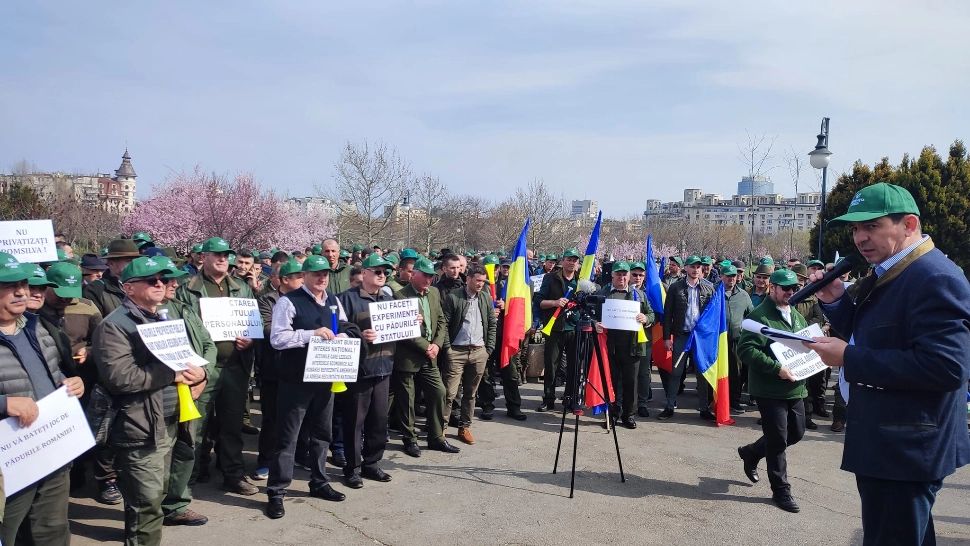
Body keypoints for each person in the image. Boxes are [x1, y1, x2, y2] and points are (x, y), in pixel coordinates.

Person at [808, 183, 970, 545]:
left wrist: (848, 357)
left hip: (906, 450)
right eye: (855, 228)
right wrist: (836, 301)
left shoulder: (934, 277)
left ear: (909, 224)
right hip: (889, 444)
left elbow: (947, 366)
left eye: (872, 226)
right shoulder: (892, 269)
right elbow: (876, 334)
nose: (860, 238)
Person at [93, 256, 206, 545]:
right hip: (139, 426)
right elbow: (120, 378)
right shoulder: (114, 325)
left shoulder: (163, 318)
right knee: (146, 501)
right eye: (151, 280)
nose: (161, 284)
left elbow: (185, 360)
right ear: (128, 288)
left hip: (169, 420)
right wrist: (171, 374)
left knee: (155, 494)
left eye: (164, 279)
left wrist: (200, 375)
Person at [266, 255, 360, 519]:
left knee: (322, 434)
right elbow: (277, 339)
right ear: (304, 275)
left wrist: (344, 334)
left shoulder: (333, 301)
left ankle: (319, 481)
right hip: (295, 381)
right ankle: (276, 491)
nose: (322, 278)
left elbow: (344, 325)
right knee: (288, 438)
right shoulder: (288, 301)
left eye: (325, 274)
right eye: (316, 274)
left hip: (325, 378)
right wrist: (311, 335)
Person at [0, 253, 84, 546]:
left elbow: (55, 370)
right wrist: (4, 404)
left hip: (51, 452)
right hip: (8, 463)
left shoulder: (38, 325)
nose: (21, 292)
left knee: (52, 531)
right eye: (9, 285)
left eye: (23, 284)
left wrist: (73, 383)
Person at [175, 237, 258, 495]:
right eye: (217, 254)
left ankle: (233, 474)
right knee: (196, 425)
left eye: (226, 255)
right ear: (204, 257)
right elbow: (180, 327)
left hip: (234, 366)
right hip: (202, 368)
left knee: (231, 424)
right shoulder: (187, 289)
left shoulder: (241, 288)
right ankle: (190, 476)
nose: (223, 259)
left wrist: (250, 339)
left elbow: (251, 322)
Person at [736, 269, 807, 513]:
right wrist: (777, 369)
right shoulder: (759, 316)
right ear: (772, 288)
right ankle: (781, 490)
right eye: (785, 288)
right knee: (777, 441)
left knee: (796, 433)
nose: (790, 292)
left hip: (795, 387)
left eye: (794, 288)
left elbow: (803, 345)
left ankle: (752, 452)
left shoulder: (796, 316)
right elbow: (745, 350)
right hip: (769, 389)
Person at [156, 257, 213, 527]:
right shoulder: (143, 314)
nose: (174, 284)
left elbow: (208, 344)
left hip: (191, 390)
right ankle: (151, 510)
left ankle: (177, 504)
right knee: (160, 456)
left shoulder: (184, 308)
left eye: (175, 279)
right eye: (167, 279)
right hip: (162, 395)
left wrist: (203, 374)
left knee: (185, 448)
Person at [337, 254, 396, 487]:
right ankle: (352, 468)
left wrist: (414, 321)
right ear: (364, 274)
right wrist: (359, 335)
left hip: (384, 368)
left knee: (379, 420)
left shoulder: (389, 299)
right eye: (377, 271)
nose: (382, 275)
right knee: (354, 422)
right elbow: (338, 329)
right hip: (359, 370)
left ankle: (372, 463)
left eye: (385, 272)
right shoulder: (346, 299)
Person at [392, 258, 460, 457]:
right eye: (425, 275)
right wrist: (426, 347)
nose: (429, 280)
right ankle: (410, 439)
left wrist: (437, 345)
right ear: (414, 274)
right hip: (408, 357)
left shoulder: (434, 293)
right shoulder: (400, 296)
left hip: (430, 355)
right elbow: (404, 330)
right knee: (407, 400)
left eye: (431, 276)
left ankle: (436, 437)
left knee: (439, 392)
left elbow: (441, 321)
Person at [251, 259, 303, 481]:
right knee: (272, 418)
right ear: (284, 280)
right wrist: (302, 332)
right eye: (298, 277)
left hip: (298, 367)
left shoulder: (305, 300)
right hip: (273, 368)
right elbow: (268, 328)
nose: (303, 280)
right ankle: (265, 461)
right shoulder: (267, 300)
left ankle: (294, 458)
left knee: (295, 418)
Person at [441, 263, 497, 445]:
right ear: (469, 279)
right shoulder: (454, 297)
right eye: (478, 280)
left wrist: (488, 349)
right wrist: (448, 349)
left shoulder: (486, 297)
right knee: (449, 393)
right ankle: (441, 429)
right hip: (456, 351)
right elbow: (444, 324)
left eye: (483, 281)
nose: (480, 284)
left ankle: (464, 427)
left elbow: (492, 323)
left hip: (479, 352)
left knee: (471, 393)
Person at [594, 261, 654, 428]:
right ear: (612, 275)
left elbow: (651, 314)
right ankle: (612, 414)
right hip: (610, 345)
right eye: (618, 274)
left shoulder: (639, 294)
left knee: (631, 382)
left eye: (624, 274)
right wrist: (595, 324)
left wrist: (646, 318)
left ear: (628, 276)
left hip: (633, 345)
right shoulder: (603, 293)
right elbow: (592, 315)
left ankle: (629, 415)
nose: (621, 277)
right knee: (611, 382)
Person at [660, 256, 715, 420]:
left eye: (698, 267)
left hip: (700, 338)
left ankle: (704, 408)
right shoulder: (675, 288)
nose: (695, 270)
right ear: (686, 268)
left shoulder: (708, 288)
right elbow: (667, 314)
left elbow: (713, 314)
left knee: (702, 373)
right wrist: (666, 337)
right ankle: (670, 406)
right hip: (681, 335)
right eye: (692, 266)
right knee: (676, 371)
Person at [534, 247, 581, 412]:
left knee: (574, 367)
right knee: (551, 365)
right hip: (554, 328)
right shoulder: (550, 278)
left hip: (575, 328)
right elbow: (538, 301)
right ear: (563, 261)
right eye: (569, 259)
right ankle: (548, 399)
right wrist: (554, 303)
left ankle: (570, 399)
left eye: (574, 260)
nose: (571, 263)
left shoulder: (581, 281)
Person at [721, 264, 753, 413]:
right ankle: (713, 400)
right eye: (728, 276)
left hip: (736, 340)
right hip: (718, 341)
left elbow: (751, 315)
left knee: (736, 373)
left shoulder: (744, 295)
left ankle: (734, 401)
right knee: (718, 372)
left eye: (733, 276)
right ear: (721, 276)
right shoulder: (713, 292)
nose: (731, 279)